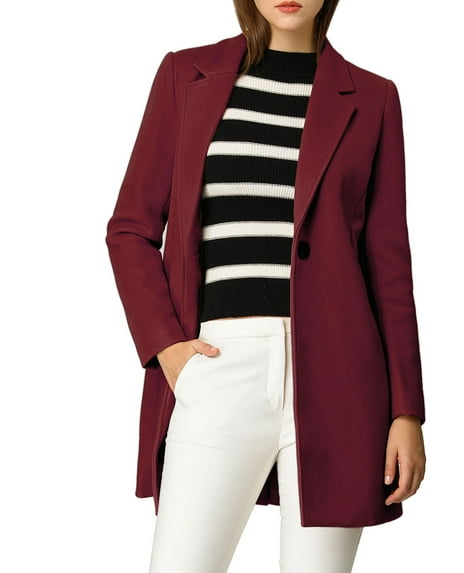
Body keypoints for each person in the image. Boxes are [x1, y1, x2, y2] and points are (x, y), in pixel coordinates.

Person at [106, 0, 427, 571]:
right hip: (219, 366)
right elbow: (130, 229)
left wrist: (407, 411)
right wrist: (167, 348)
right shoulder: (186, 75)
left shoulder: (374, 98)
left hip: (340, 379)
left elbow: (388, 263)